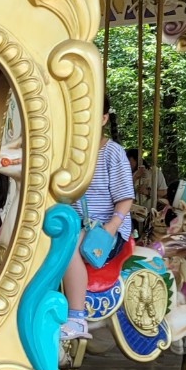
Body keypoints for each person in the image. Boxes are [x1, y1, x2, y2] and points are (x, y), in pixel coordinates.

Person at [61, 94, 134, 340]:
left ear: (103, 119)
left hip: (106, 229)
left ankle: (76, 317)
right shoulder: (68, 153)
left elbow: (125, 198)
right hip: (74, 223)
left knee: (69, 243)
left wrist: (111, 227)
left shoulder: (112, 152)